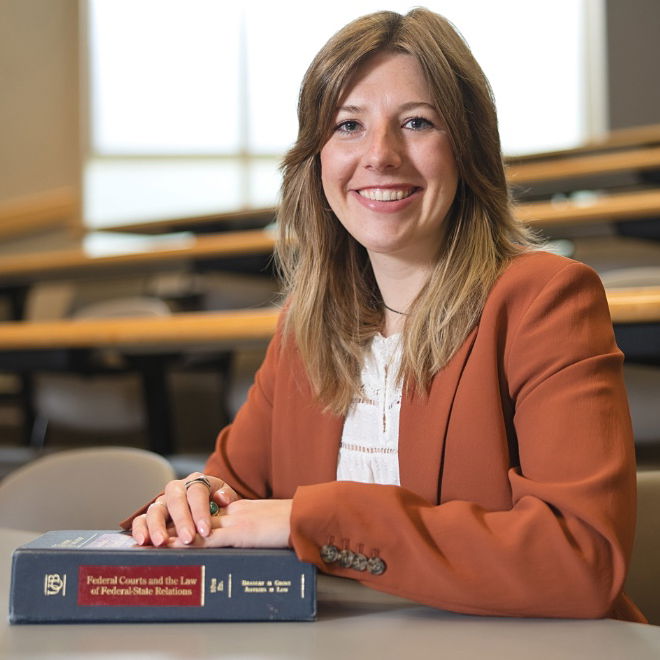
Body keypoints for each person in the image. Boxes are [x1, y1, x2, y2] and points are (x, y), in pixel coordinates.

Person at [122, 8, 643, 621]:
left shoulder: (544, 301)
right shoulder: (304, 328)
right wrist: (191, 501)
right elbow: (229, 491)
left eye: (417, 122)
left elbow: (578, 560)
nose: (380, 155)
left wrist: (308, 519)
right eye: (348, 126)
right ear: (316, 162)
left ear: (468, 148)